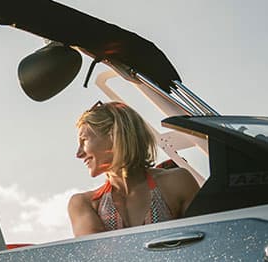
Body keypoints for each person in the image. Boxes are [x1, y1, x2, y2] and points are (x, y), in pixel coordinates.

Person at [67, 101, 200, 236]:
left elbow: (206, 243)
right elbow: (96, 256)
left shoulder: (177, 182)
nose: (78, 154)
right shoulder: (84, 204)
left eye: (84, 141)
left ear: (114, 134)